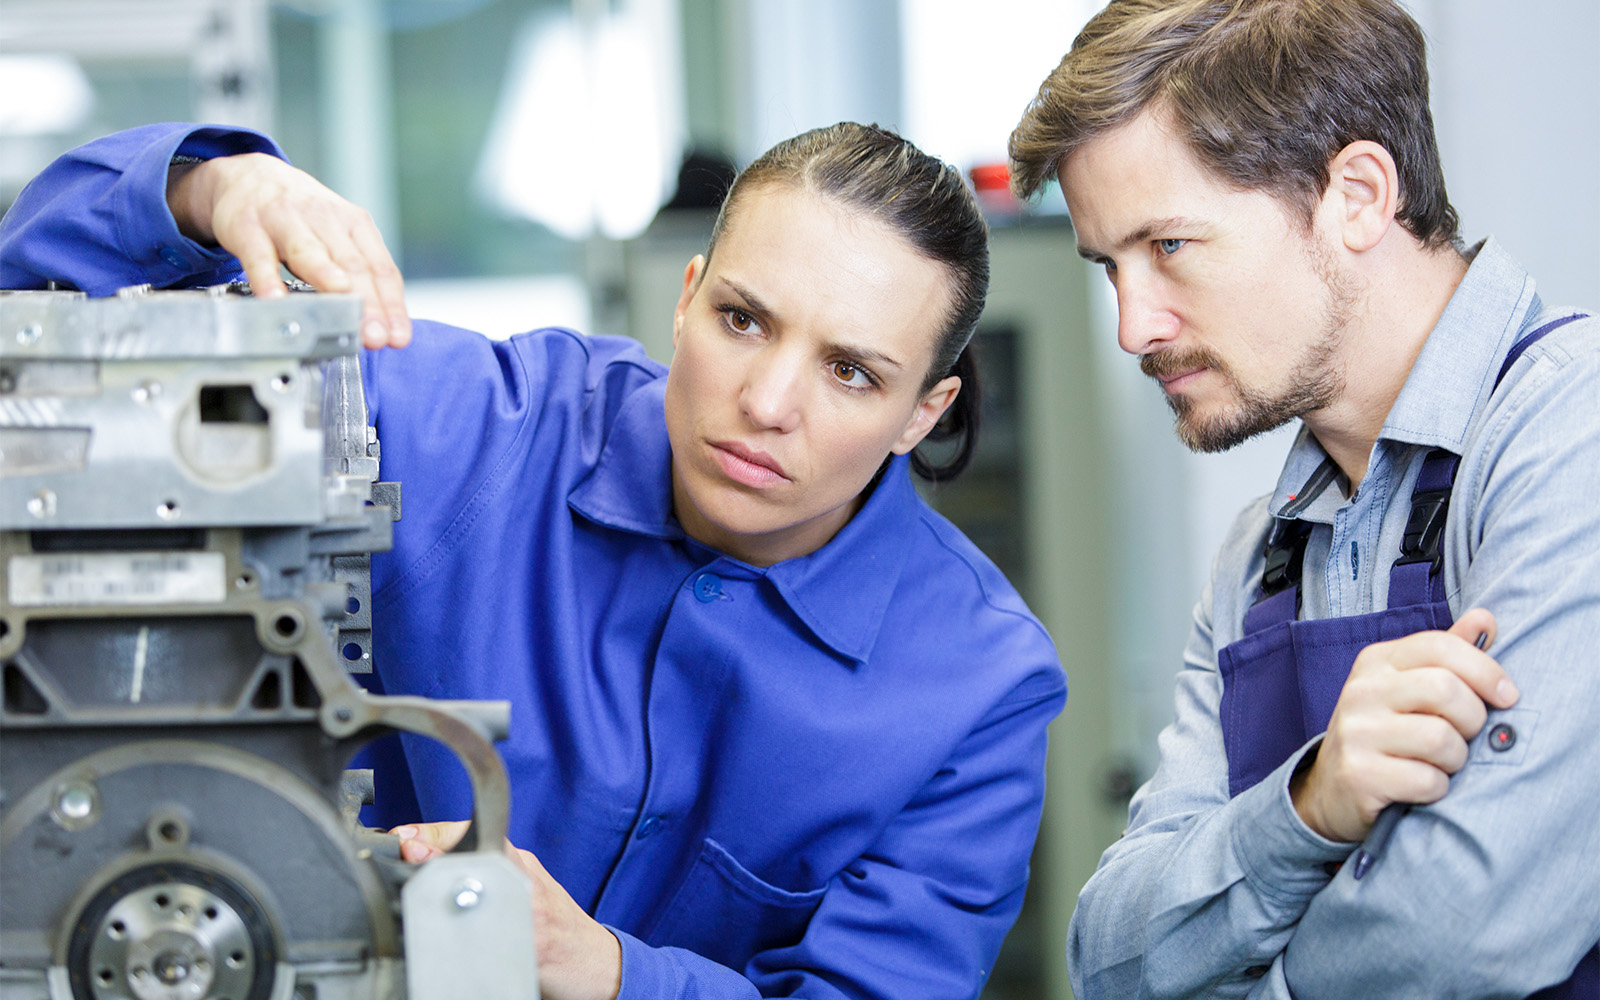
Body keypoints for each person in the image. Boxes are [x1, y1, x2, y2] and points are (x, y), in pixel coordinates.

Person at [0, 122, 1066, 1000]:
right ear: (686, 295)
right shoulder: (471, 429)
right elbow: (43, 323)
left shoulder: (978, 691)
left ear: (920, 414)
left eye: (848, 371)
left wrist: (602, 967)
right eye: (743, 320)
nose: (768, 405)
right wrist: (210, 185)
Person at [1007, 0, 1598, 996]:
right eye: (1110, 266)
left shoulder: (1566, 439)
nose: (1132, 326)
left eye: (1170, 248)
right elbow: (1110, 953)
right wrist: (1307, 808)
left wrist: (1245, 975)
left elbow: (1468, 927)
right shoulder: (1258, 554)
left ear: (1358, 194)